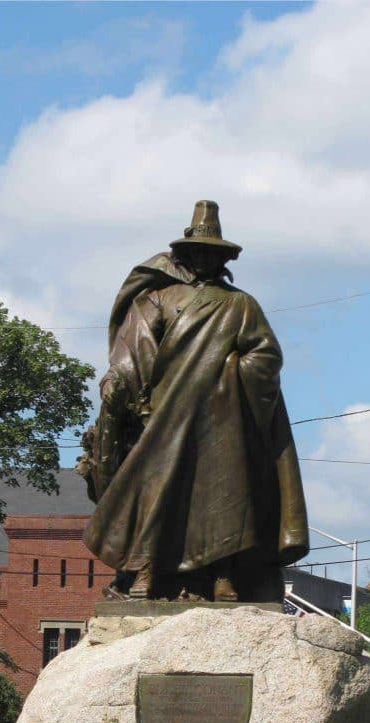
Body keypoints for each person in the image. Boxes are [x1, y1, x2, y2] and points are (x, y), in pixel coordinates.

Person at [78, 200, 309, 602]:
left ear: (223, 259)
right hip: (167, 415)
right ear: (184, 254)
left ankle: (221, 574)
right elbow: (133, 351)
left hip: (224, 418)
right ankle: (146, 569)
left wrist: (235, 373)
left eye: (212, 253)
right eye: (198, 250)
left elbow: (267, 355)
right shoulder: (158, 300)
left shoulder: (241, 305)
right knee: (156, 490)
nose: (204, 258)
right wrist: (117, 382)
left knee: (223, 497)